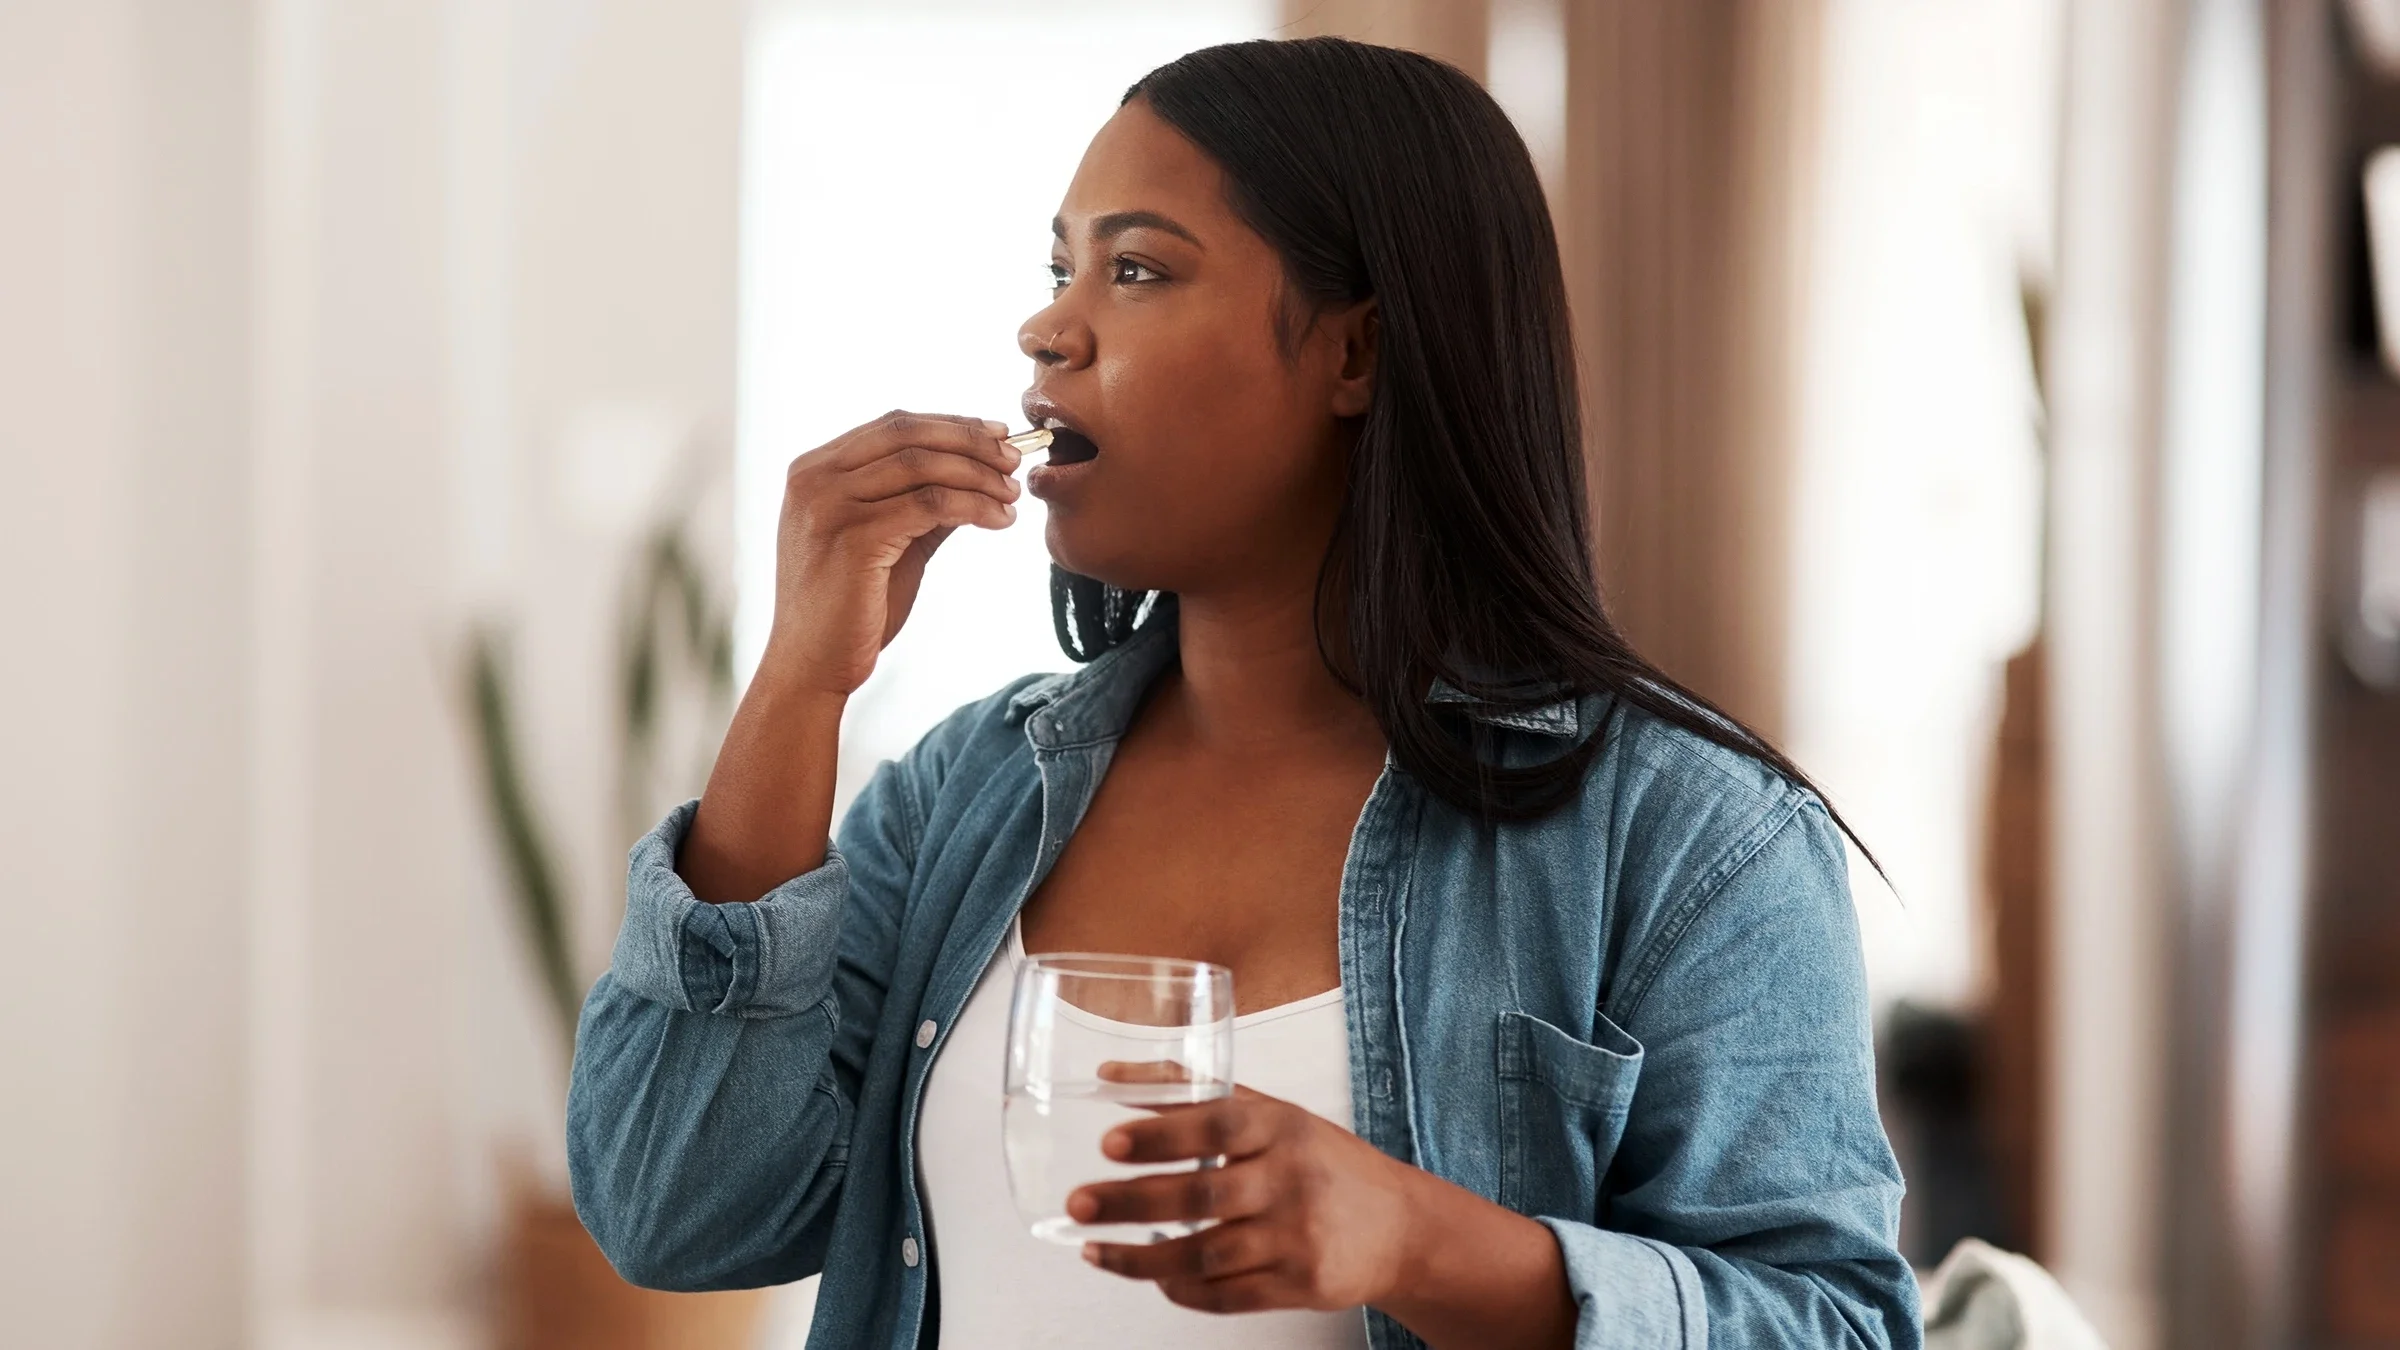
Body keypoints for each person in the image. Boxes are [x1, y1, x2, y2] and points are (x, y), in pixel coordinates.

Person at [568, 36, 1918, 1350]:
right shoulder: (965, 794)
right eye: (1059, 266)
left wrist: (1423, 1243)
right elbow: (673, 1214)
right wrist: (804, 676)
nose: (1047, 325)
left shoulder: (1692, 836)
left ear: (1357, 355)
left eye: (1139, 268)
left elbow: (1838, 1324)